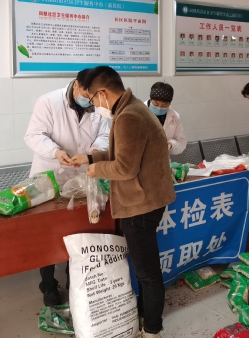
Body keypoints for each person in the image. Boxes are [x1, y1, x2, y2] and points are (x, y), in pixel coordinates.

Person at [71, 66, 175, 338]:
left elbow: (125, 168)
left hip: (141, 204)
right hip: (148, 198)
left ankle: (152, 329)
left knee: (147, 273)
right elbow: (123, 153)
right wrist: (91, 158)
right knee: (146, 269)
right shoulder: (133, 108)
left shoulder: (129, 116)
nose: (94, 105)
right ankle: (147, 316)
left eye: (93, 99)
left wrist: (97, 169)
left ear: (103, 93)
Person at [24, 68, 109, 306]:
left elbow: (105, 133)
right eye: (87, 94)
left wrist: (94, 152)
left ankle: (74, 279)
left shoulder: (99, 104)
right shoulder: (48, 101)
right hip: (51, 175)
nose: (90, 100)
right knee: (48, 233)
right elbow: (33, 135)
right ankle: (48, 285)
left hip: (82, 176)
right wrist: (55, 152)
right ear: (77, 85)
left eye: (94, 96)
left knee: (79, 230)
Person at [145, 82, 187, 156]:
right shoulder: (138, 113)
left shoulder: (174, 117)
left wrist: (171, 145)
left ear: (169, 103)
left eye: (164, 105)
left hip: (162, 159)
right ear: (150, 98)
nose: (159, 108)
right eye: (155, 104)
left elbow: (182, 142)